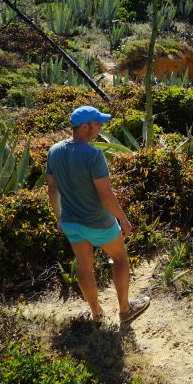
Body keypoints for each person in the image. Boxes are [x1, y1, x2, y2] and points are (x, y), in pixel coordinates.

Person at [46, 105, 150, 324]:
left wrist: (59, 217)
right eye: (97, 123)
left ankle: (97, 314)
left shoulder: (54, 151)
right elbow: (106, 195)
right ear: (85, 126)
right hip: (98, 222)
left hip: (71, 222)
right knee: (120, 258)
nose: (101, 126)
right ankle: (124, 310)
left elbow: (52, 189)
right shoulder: (94, 155)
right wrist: (123, 219)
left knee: (84, 266)